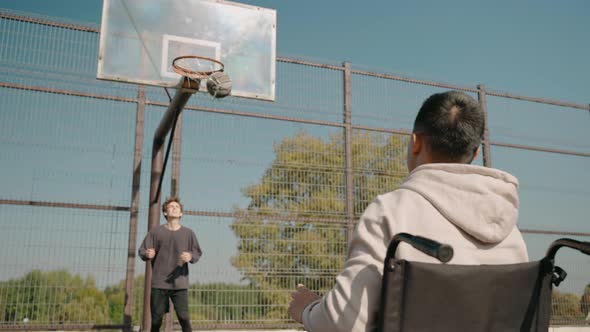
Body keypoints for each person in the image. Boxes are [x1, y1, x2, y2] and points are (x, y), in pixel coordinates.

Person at [288, 90, 529, 332]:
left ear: (416, 143)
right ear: (475, 153)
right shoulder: (510, 231)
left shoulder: (391, 212)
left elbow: (343, 323)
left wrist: (308, 309)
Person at [139, 196, 202, 332]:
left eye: (177, 207)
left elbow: (197, 252)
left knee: (184, 318)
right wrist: (147, 254)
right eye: (171, 207)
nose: (174, 208)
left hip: (180, 283)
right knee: (156, 321)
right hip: (159, 283)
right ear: (165, 213)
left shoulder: (188, 233)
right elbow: (142, 250)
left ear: (181, 214)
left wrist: (190, 256)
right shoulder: (156, 232)